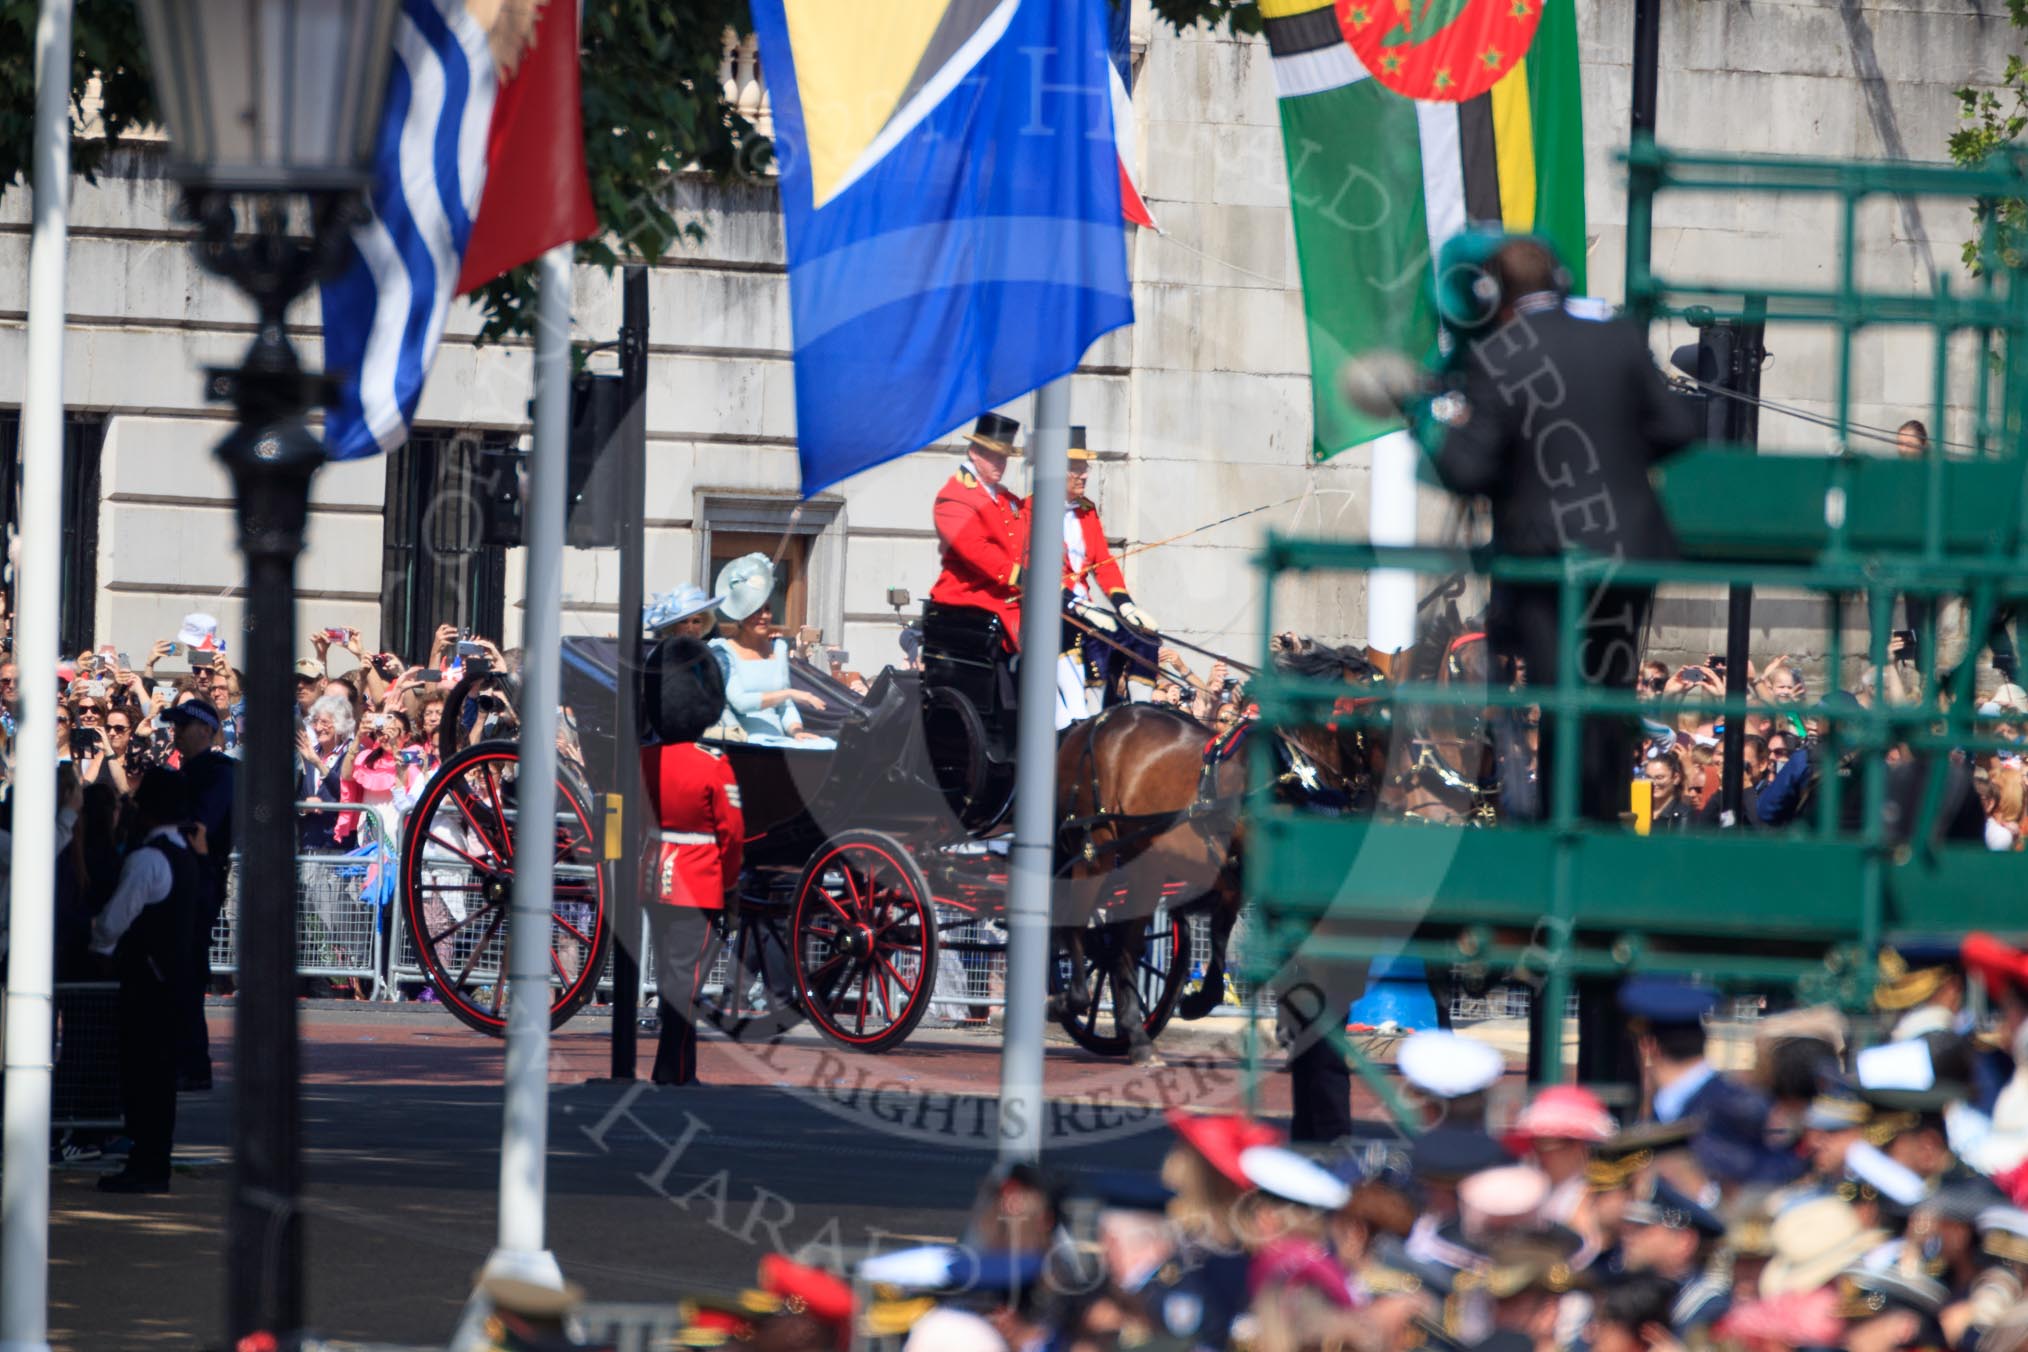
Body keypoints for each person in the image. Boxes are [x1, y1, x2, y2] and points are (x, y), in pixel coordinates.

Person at [1415, 234, 1698, 1086]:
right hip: (1629, 556)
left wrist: (1434, 417)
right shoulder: (1617, 335)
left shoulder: (1503, 352)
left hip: (1546, 567)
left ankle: (1554, 809)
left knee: (1552, 691)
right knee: (1605, 690)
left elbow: (1467, 469)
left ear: (1496, 295)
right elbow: (1680, 425)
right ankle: (1600, 799)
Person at [90, 767, 204, 1192]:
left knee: (141, 1076)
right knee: (158, 1080)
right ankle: (154, 1160)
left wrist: (99, 949)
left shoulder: (148, 859)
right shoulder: (186, 855)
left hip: (144, 982)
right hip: (172, 981)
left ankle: (145, 1163)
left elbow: (113, 923)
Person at [639, 635, 744, 1085]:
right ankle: (672, 1070)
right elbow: (732, 834)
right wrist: (731, 884)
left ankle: (679, 1068)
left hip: (654, 874)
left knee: (672, 976)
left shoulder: (644, 759)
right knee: (687, 981)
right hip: (698, 879)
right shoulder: (713, 764)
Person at [1057, 426, 1158, 728]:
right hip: (1059, 609)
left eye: (1084, 467)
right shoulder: (1032, 511)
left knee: (1144, 636)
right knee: (1095, 637)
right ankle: (1091, 719)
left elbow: (1104, 562)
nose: (1085, 474)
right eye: (1076, 468)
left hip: (1086, 606)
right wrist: (1078, 604)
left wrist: (1125, 604)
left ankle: (1142, 715)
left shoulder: (1087, 512)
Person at [164, 700, 234, 1090]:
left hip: (199, 878)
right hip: (181, 876)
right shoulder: (188, 771)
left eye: (184, 726)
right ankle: (184, 1059)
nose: (176, 733)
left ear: (206, 731)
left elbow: (202, 825)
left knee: (187, 971)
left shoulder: (218, 773)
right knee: (178, 972)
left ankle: (192, 1063)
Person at [928, 412, 1028, 648]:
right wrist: (1021, 577)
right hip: (971, 605)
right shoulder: (954, 496)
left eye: (1003, 458)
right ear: (975, 453)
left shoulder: (1006, 498)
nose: (1000, 465)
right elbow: (975, 550)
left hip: (1010, 605)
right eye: (994, 457)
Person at [709, 553, 830, 746]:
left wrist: (797, 731)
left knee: (826, 746)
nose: (764, 616)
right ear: (740, 615)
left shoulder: (779, 649)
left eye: (767, 609)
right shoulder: (723, 651)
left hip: (779, 740)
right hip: (742, 741)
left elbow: (785, 708)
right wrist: (791, 693)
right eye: (756, 610)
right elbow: (739, 702)